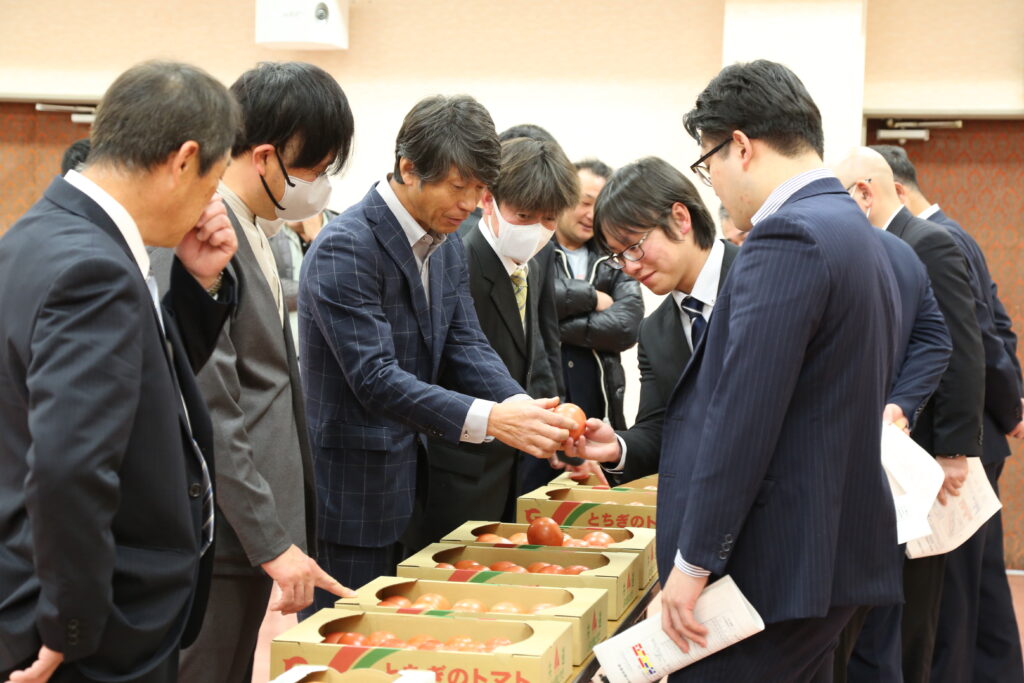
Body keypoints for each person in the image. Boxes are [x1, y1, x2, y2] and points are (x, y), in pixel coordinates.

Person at [659, 60, 903, 681]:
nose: (713, 185)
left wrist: (693, 561)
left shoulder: (787, 235)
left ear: (740, 146)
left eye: (707, 163)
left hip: (777, 556)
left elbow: (745, 413)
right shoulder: (854, 229)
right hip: (829, 548)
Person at [0, 60, 239, 683]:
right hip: (94, 626)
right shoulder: (96, 269)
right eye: (214, 182)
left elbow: (137, 385)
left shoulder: (37, 236)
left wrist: (198, 283)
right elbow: (69, 464)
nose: (210, 203)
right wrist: (69, 624)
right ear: (184, 161)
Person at [298, 94, 576, 610]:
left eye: (479, 189)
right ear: (409, 168)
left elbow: (465, 342)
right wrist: (492, 419)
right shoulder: (346, 245)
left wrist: (519, 406)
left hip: (417, 489)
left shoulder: (444, 247)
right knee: (351, 639)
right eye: (457, 186)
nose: (469, 204)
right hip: (356, 497)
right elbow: (375, 377)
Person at [150, 61, 355, 683]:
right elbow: (214, 410)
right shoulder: (204, 236)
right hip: (226, 528)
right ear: (265, 157)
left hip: (253, 523)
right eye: (314, 170)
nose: (318, 187)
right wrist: (267, 537)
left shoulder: (260, 228)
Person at [870, 144, 1024, 683]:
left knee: (952, 594)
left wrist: (993, 419)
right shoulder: (949, 233)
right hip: (973, 433)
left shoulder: (932, 240)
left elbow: (971, 341)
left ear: (892, 188)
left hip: (955, 442)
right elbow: (998, 328)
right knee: (976, 584)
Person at [834, 146, 985, 683]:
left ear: (865, 192)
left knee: (915, 609)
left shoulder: (926, 242)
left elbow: (961, 348)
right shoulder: (878, 247)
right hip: (890, 454)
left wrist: (953, 451)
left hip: (922, 454)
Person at [408, 136, 579, 547]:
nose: (535, 230)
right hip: (457, 471)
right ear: (488, 200)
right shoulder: (455, 261)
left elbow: (541, 350)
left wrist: (557, 427)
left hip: (515, 467)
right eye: (524, 215)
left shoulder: (537, 260)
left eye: (549, 219)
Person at [564, 156, 738, 482]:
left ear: (680, 218)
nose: (629, 267)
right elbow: (659, 428)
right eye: (618, 256)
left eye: (634, 246)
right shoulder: (654, 331)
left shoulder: (761, 276)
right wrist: (618, 447)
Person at [552, 159, 643, 431]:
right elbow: (534, 298)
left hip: (601, 405)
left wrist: (552, 326)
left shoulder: (614, 258)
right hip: (546, 400)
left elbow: (627, 325)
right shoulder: (537, 249)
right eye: (585, 202)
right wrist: (592, 298)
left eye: (600, 207)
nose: (592, 214)